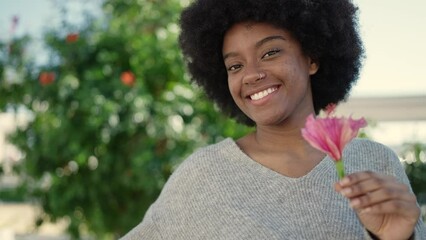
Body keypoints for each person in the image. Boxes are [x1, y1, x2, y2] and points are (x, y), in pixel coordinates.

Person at [122, 0, 426, 239]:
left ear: (312, 58)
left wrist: (399, 238)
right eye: (235, 65)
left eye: (270, 53)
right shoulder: (202, 178)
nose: (252, 74)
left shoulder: (376, 162)